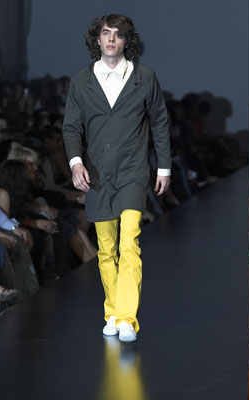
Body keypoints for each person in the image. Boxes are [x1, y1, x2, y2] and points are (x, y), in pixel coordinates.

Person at [62, 14, 170, 343]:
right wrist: (75, 163)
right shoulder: (81, 81)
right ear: (97, 40)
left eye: (118, 34)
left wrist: (164, 167)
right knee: (106, 248)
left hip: (133, 170)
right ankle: (112, 311)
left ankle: (126, 318)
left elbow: (160, 122)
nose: (111, 39)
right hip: (96, 173)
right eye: (106, 33)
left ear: (127, 41)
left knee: (129, 241)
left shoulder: (145, 78)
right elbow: (71, 127)